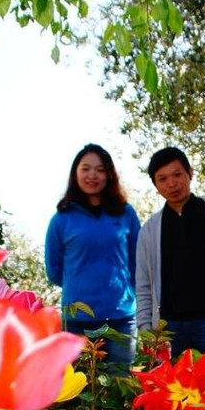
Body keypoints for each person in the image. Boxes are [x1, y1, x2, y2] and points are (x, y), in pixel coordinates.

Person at [136, 147, 205, 361]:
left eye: (177, 174)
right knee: (172, 394)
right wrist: (146, 329)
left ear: (190, 173)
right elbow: (143, 284)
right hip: (168, 330)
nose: (171, 183)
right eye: (162, 179)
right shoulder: (149, 230)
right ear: (155, 185)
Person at [45, 144, 141, 369]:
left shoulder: (126, 213)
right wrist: (82, 285)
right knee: (81, 390)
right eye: (85, 169)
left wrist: (125, 292)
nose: (92, 175)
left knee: (120, 386)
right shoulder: (61, 219)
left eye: (99, 169)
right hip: (78, 321)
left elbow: (138, 262)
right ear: (75, 173)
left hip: (122, 319)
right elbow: (54, 270)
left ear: (109, 174)